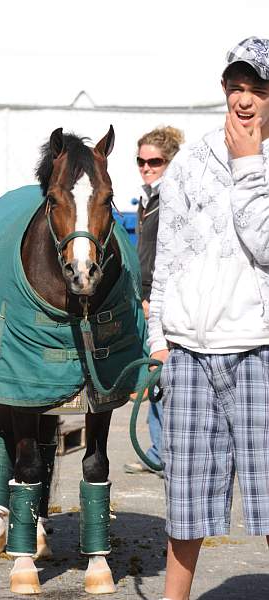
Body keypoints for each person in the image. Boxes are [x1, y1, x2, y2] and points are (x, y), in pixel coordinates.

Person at [148, 37, 269, 600]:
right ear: (224, 89)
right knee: (187, 499)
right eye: (236, 88)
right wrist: (158, 337)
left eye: (259, 90)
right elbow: (167, 255)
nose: (245, 101)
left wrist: (249, 166)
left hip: (259, 351)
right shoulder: (191, 162)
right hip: (190, 352)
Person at [124, 126, 184, 476]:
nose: (146, 167)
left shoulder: (173, 197)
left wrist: (153, 298)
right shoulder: (148, 200)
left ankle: (169, 455)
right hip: (147, 296)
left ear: (170, 162)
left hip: (163, 298)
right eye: (141, 161)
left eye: (154, 161)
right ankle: (159, 451)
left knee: (166, 376)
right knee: (157, 377)